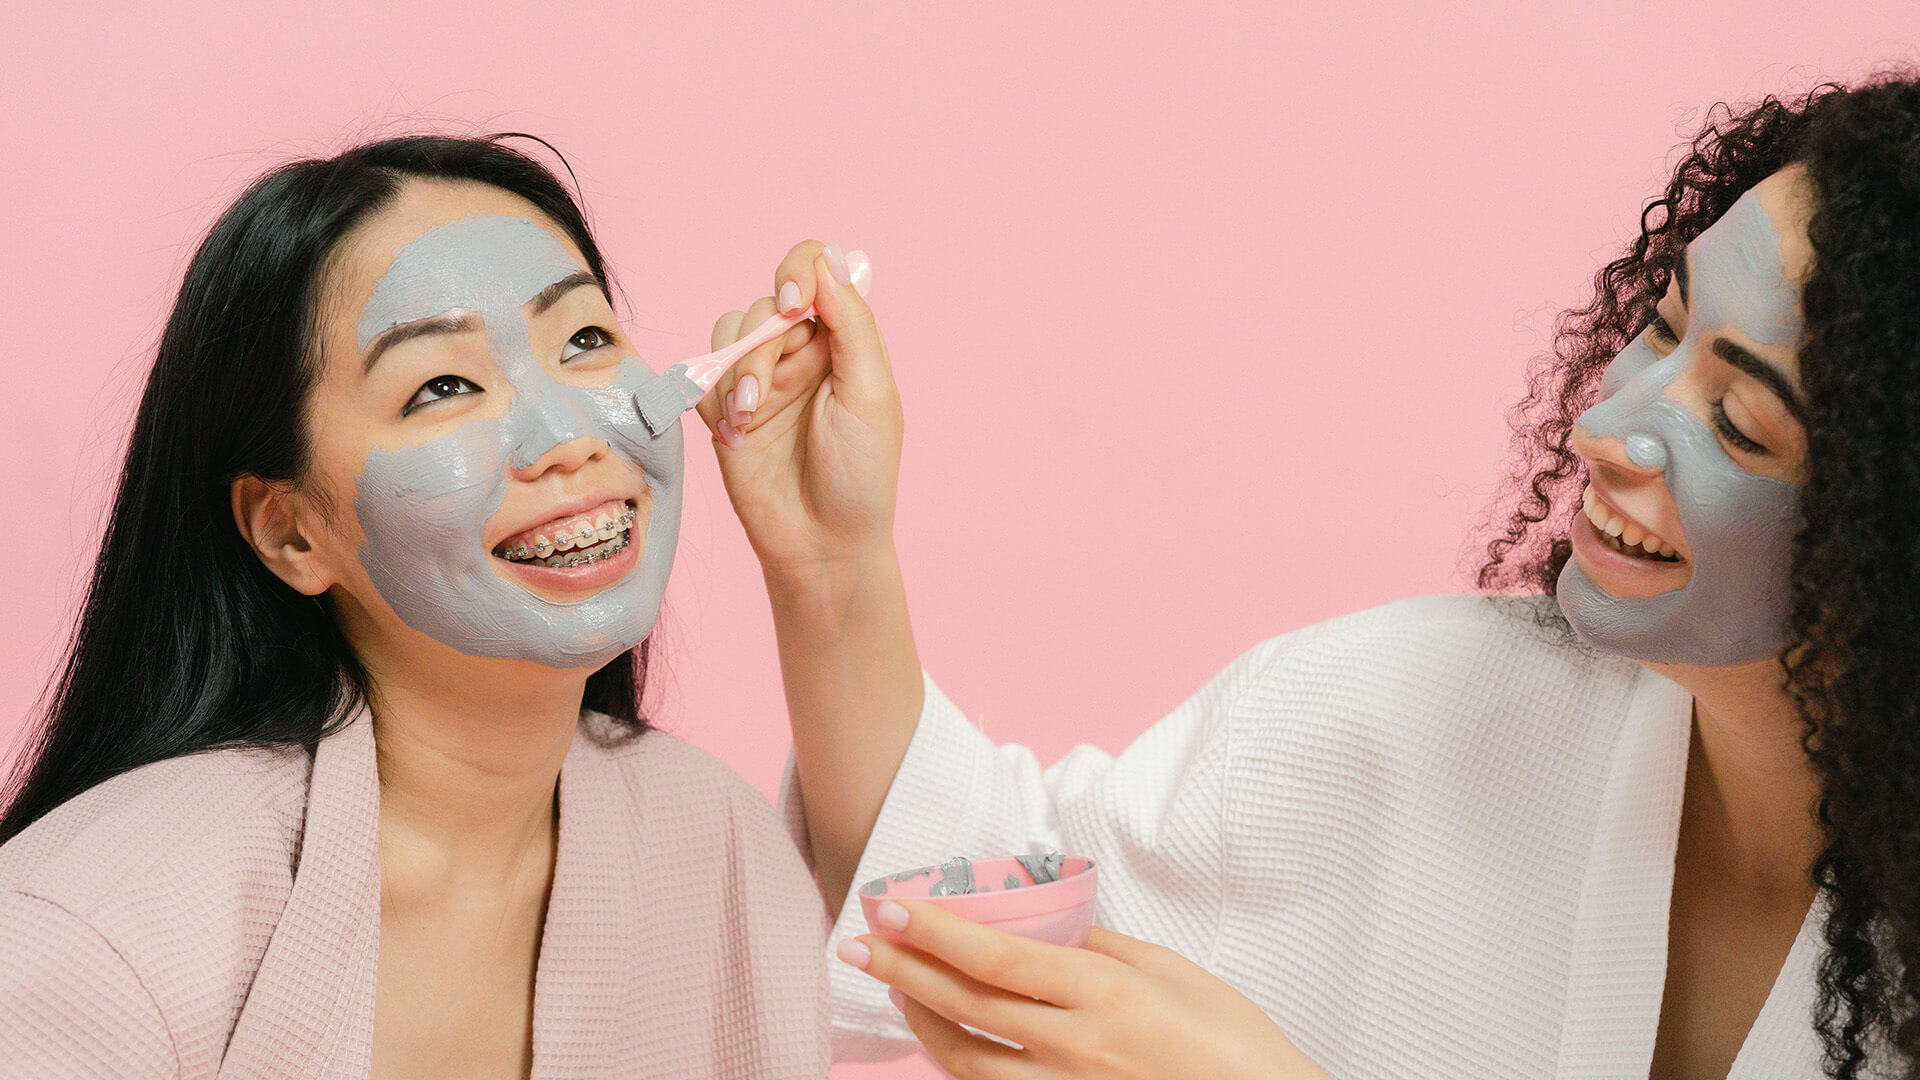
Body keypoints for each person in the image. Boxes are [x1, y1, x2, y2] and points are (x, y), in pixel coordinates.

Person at [696, 74, 1920, 1079]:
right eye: (1662, 324)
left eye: (1739, 424)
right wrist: (830, 566)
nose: (1607, 429)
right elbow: (987, 901)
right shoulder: (1420, 706)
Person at [0, 135, 830, 1079]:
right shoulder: (93, 941)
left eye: (585, 341)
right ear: (291, 532)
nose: (566, 439)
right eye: (443, 386)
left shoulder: (720, 850)